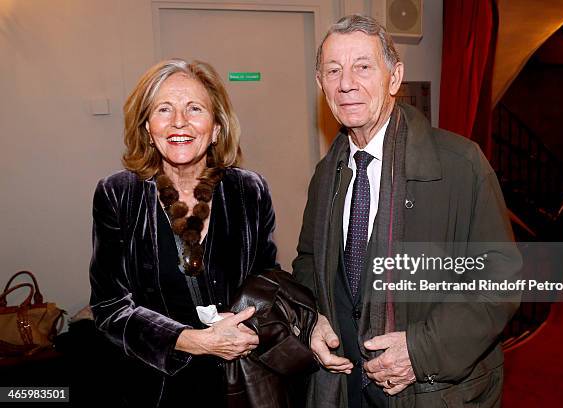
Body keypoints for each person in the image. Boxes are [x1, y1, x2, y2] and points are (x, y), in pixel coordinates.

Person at [293, 15, 522, 408]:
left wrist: (420, 351)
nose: (346, 82)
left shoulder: (460, 163)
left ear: (394, 78)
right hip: (345, 387)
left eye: (363, 67)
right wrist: (311, 319)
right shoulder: (326, 174)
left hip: (432, 390)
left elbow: (500, 279)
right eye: (333, 70)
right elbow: (309, 262)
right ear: (321, 85)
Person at [89, 58, 279, 407]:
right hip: (155, 387)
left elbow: (268, 279)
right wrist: (195, 340)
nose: (179, 122)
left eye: (194, 108)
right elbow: (109, 308)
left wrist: (246, 322)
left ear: (217, 127)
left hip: (240, 383)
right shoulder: (117, 194)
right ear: (147, 126)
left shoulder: (249, 190)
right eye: (164, 109)